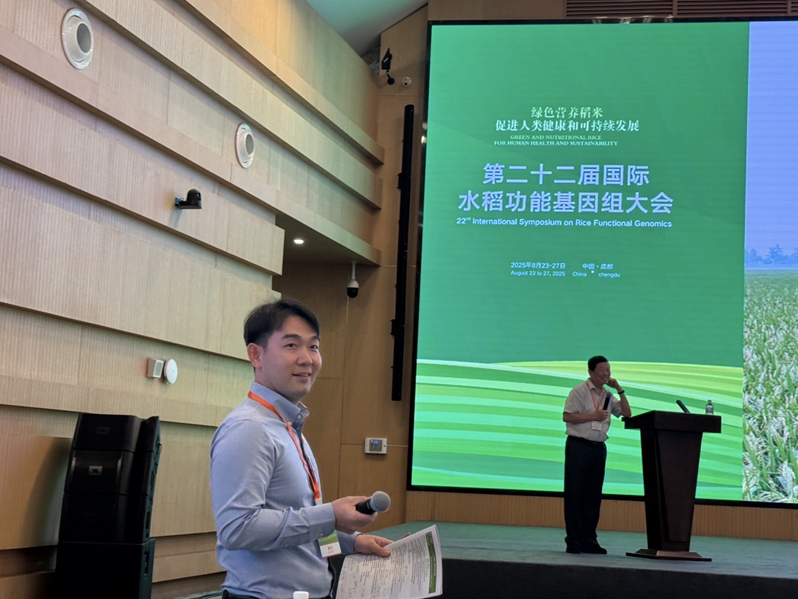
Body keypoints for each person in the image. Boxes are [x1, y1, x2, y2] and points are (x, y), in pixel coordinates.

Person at [210, 299, 392, 599]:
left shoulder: (286, 426)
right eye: (292, 345)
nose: (307, 359)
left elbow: (297, 521)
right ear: (256, 354)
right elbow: (238, 528)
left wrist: (352, 542)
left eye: (314, 346)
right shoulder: (249, 428)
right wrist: (330, 515)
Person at [562, 355, 632, 555]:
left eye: (608, 370)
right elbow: (567, 416)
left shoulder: (608, 395)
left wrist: (620, 389)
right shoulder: (580, 391)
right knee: (575, 494)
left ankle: (589, 540)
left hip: (598, 448)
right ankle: (574, 540)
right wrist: (593, 416)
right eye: (602, 370)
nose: (606, 373)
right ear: (591, 372)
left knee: (593, 496)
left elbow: (626, 413)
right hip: (579, 446)